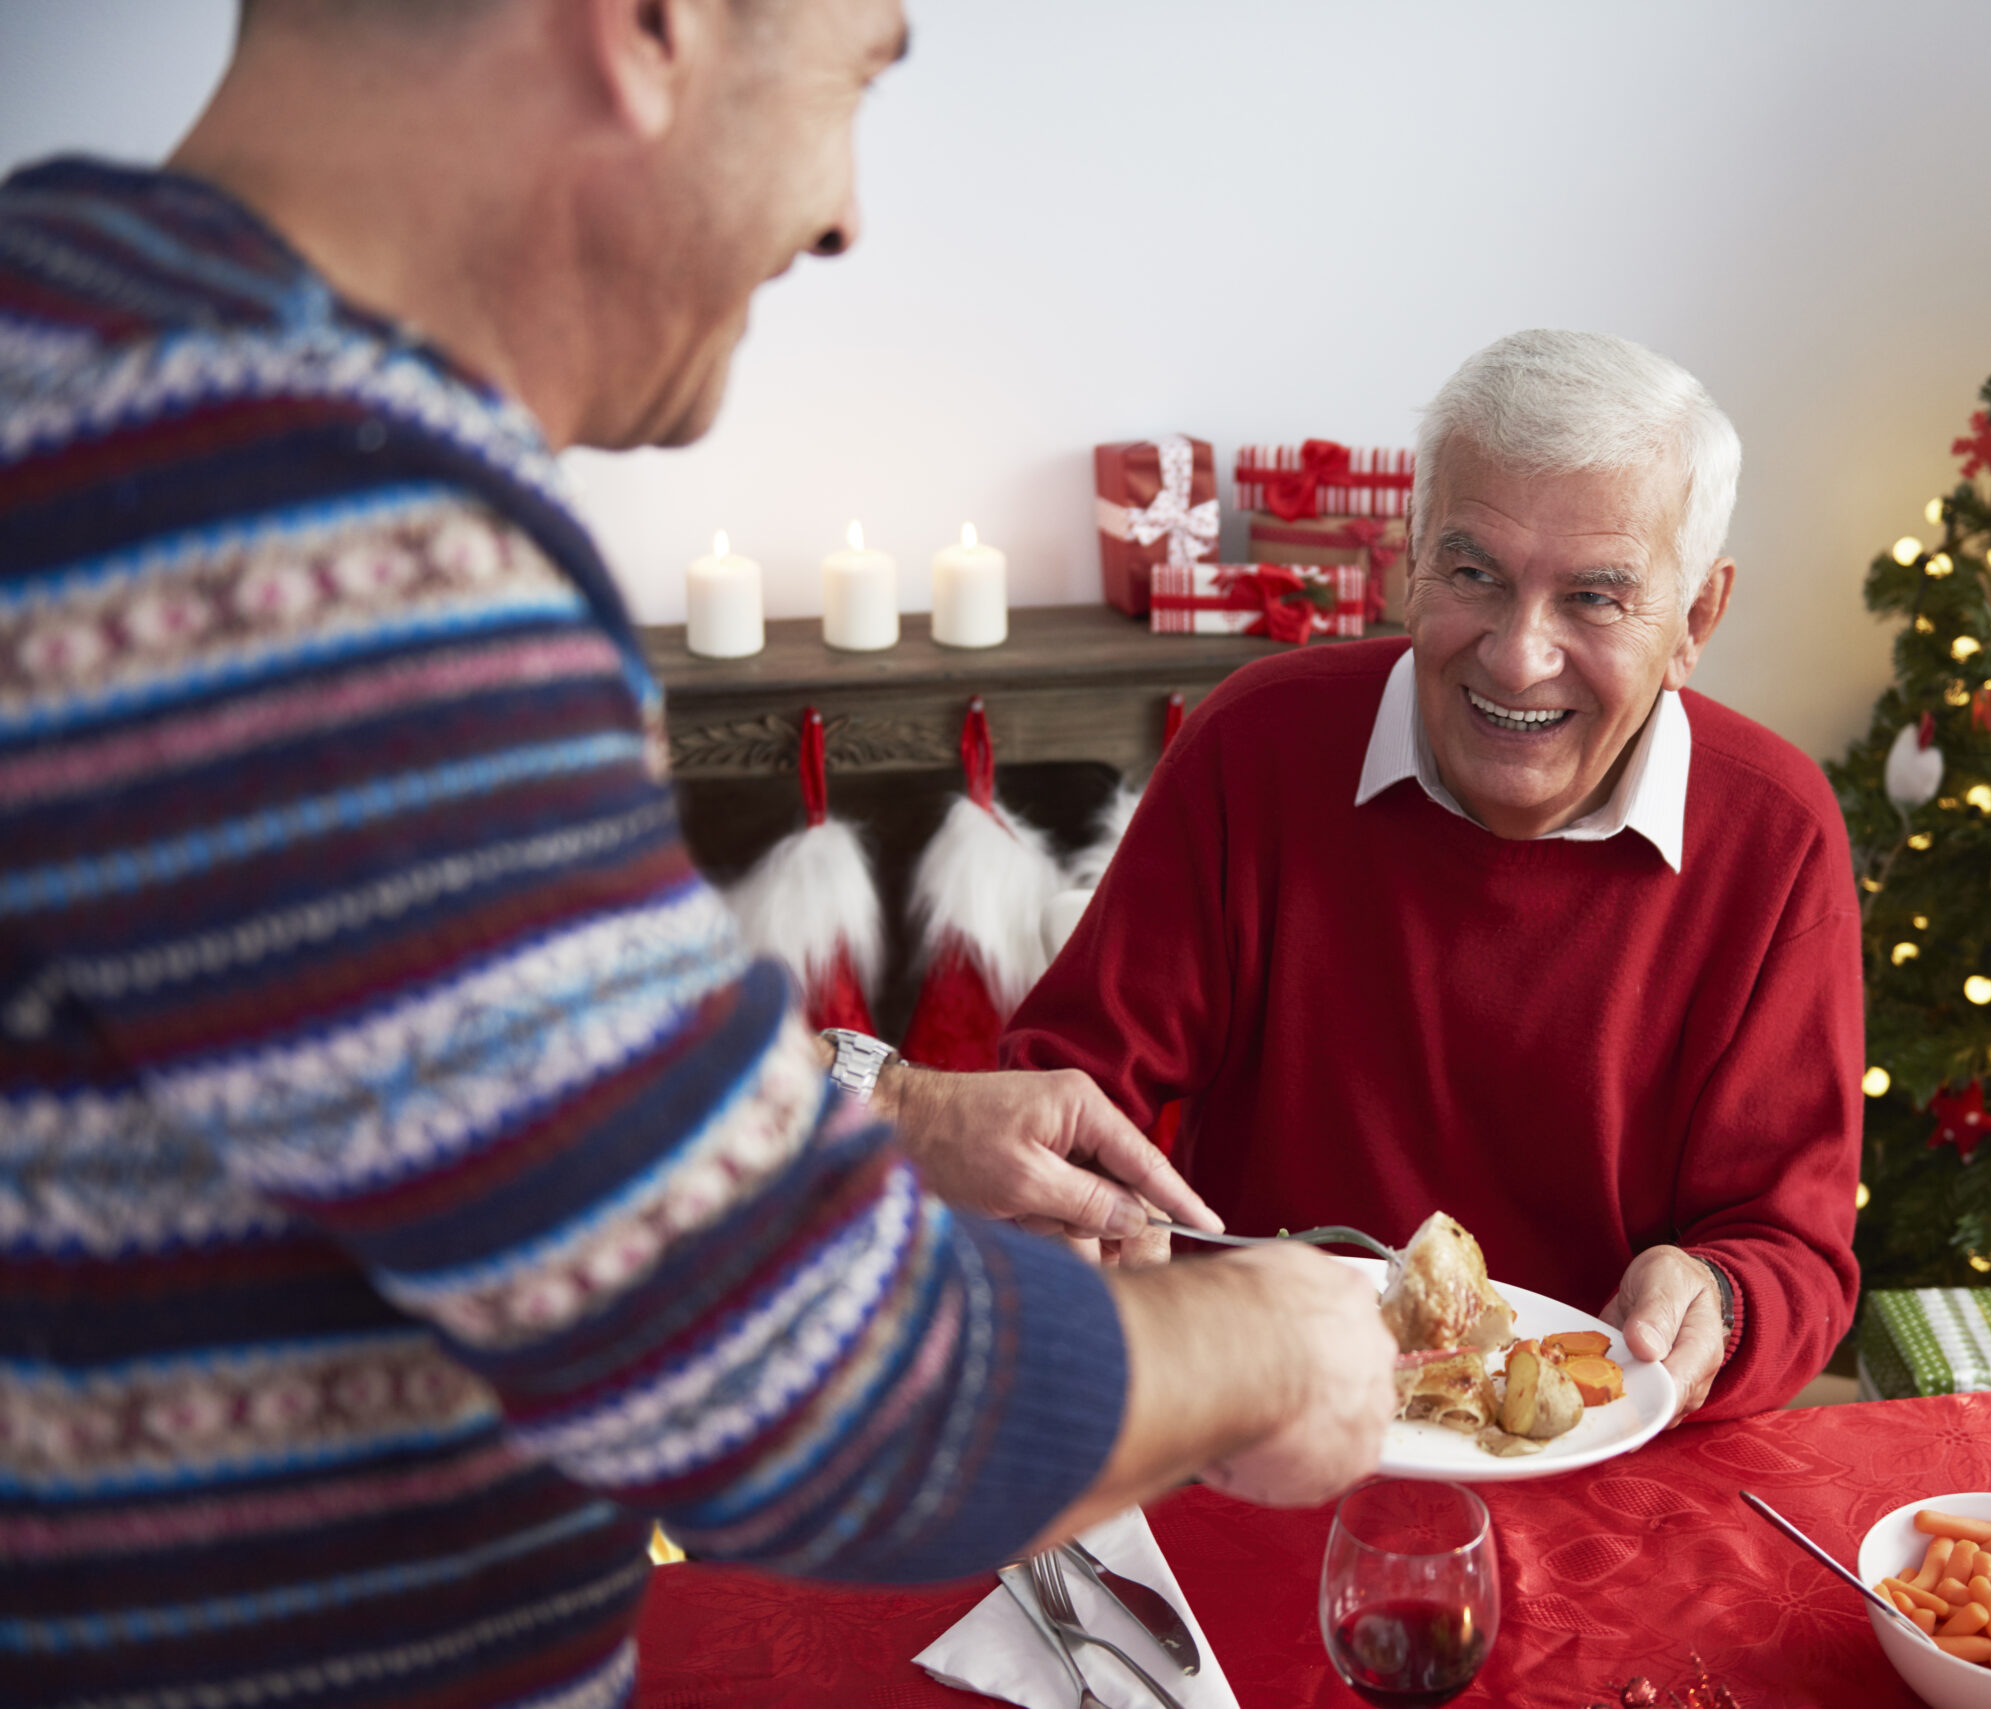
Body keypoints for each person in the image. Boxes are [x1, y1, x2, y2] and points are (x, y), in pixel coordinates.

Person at [0, 2, 1392, 1704]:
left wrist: (885, 1104)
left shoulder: (65, 327)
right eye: (855, 72)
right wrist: (1272, 1337)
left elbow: (421, 1077)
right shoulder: (317, 529)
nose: (844, 214)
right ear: (652, 28)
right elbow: (809, 1381)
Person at [1001, 329, 1864, 1421]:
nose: (1516, 655)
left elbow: (1790, 1248)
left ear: (1694, 619)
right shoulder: (1255, 742)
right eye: (1472, 573)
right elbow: (1073, 1082)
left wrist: (1718, 1296)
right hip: (1256, 1415)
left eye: (1594, 598)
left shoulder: (1775, 834)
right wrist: (1083, 1224)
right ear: (1410, 559)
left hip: (1592, 1445)